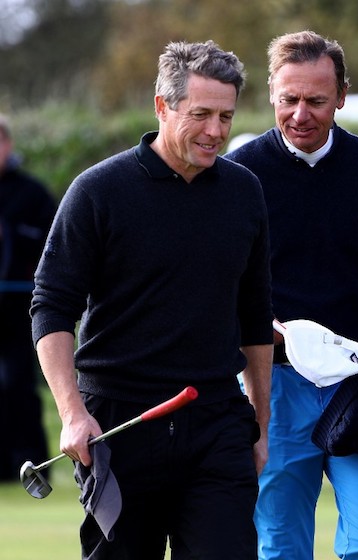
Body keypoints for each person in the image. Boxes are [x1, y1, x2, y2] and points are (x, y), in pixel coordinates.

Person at [30, 40, 273, 559]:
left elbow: (255, 316)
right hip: (119, 427)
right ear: (162, 106)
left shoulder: (244, 192)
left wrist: (259, 426)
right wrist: (72, 415)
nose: (216, 131)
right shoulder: (97, 191)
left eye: (226, 116)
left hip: (216, 423)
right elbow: (51, 306)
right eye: (201, 114)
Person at [226, 30, 358, 560]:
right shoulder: (240, 174)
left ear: (341, 96)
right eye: (289, 99)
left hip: (357, 384)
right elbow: (222, 282)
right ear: (271, 92)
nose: (300, 113)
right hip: (273, 385)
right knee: (279, 545)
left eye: (316, 100)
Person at [0, 114, 56, 481]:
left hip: (18, 305)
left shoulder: (31, 193)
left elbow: (52, 249)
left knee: (17, 384)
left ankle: (30, 464)